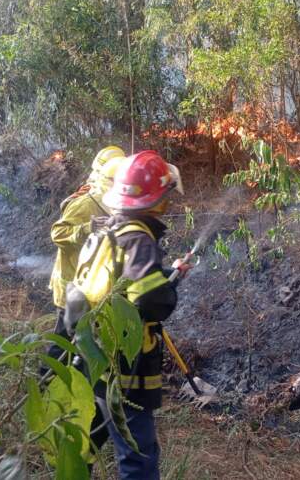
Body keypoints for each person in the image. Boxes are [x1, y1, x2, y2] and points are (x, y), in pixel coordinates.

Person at [73, 150, 185, 480]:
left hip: (94, 358)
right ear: (157, 199)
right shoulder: (139, 239)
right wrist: (169, 289)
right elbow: (149, 300)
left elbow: (119, 287)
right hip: (127, 369)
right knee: (138, 457)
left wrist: (166, 274)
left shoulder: (109, 231)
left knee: (85, 444)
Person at [45, 145, 125, 364]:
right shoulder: (85, 202)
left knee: (87, 341)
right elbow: (57, 233)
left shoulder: (113, 203)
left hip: (94, 286)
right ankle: (47, 381)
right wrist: (86, 229)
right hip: (72, 285)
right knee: (64, 340)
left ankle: (81, 381)